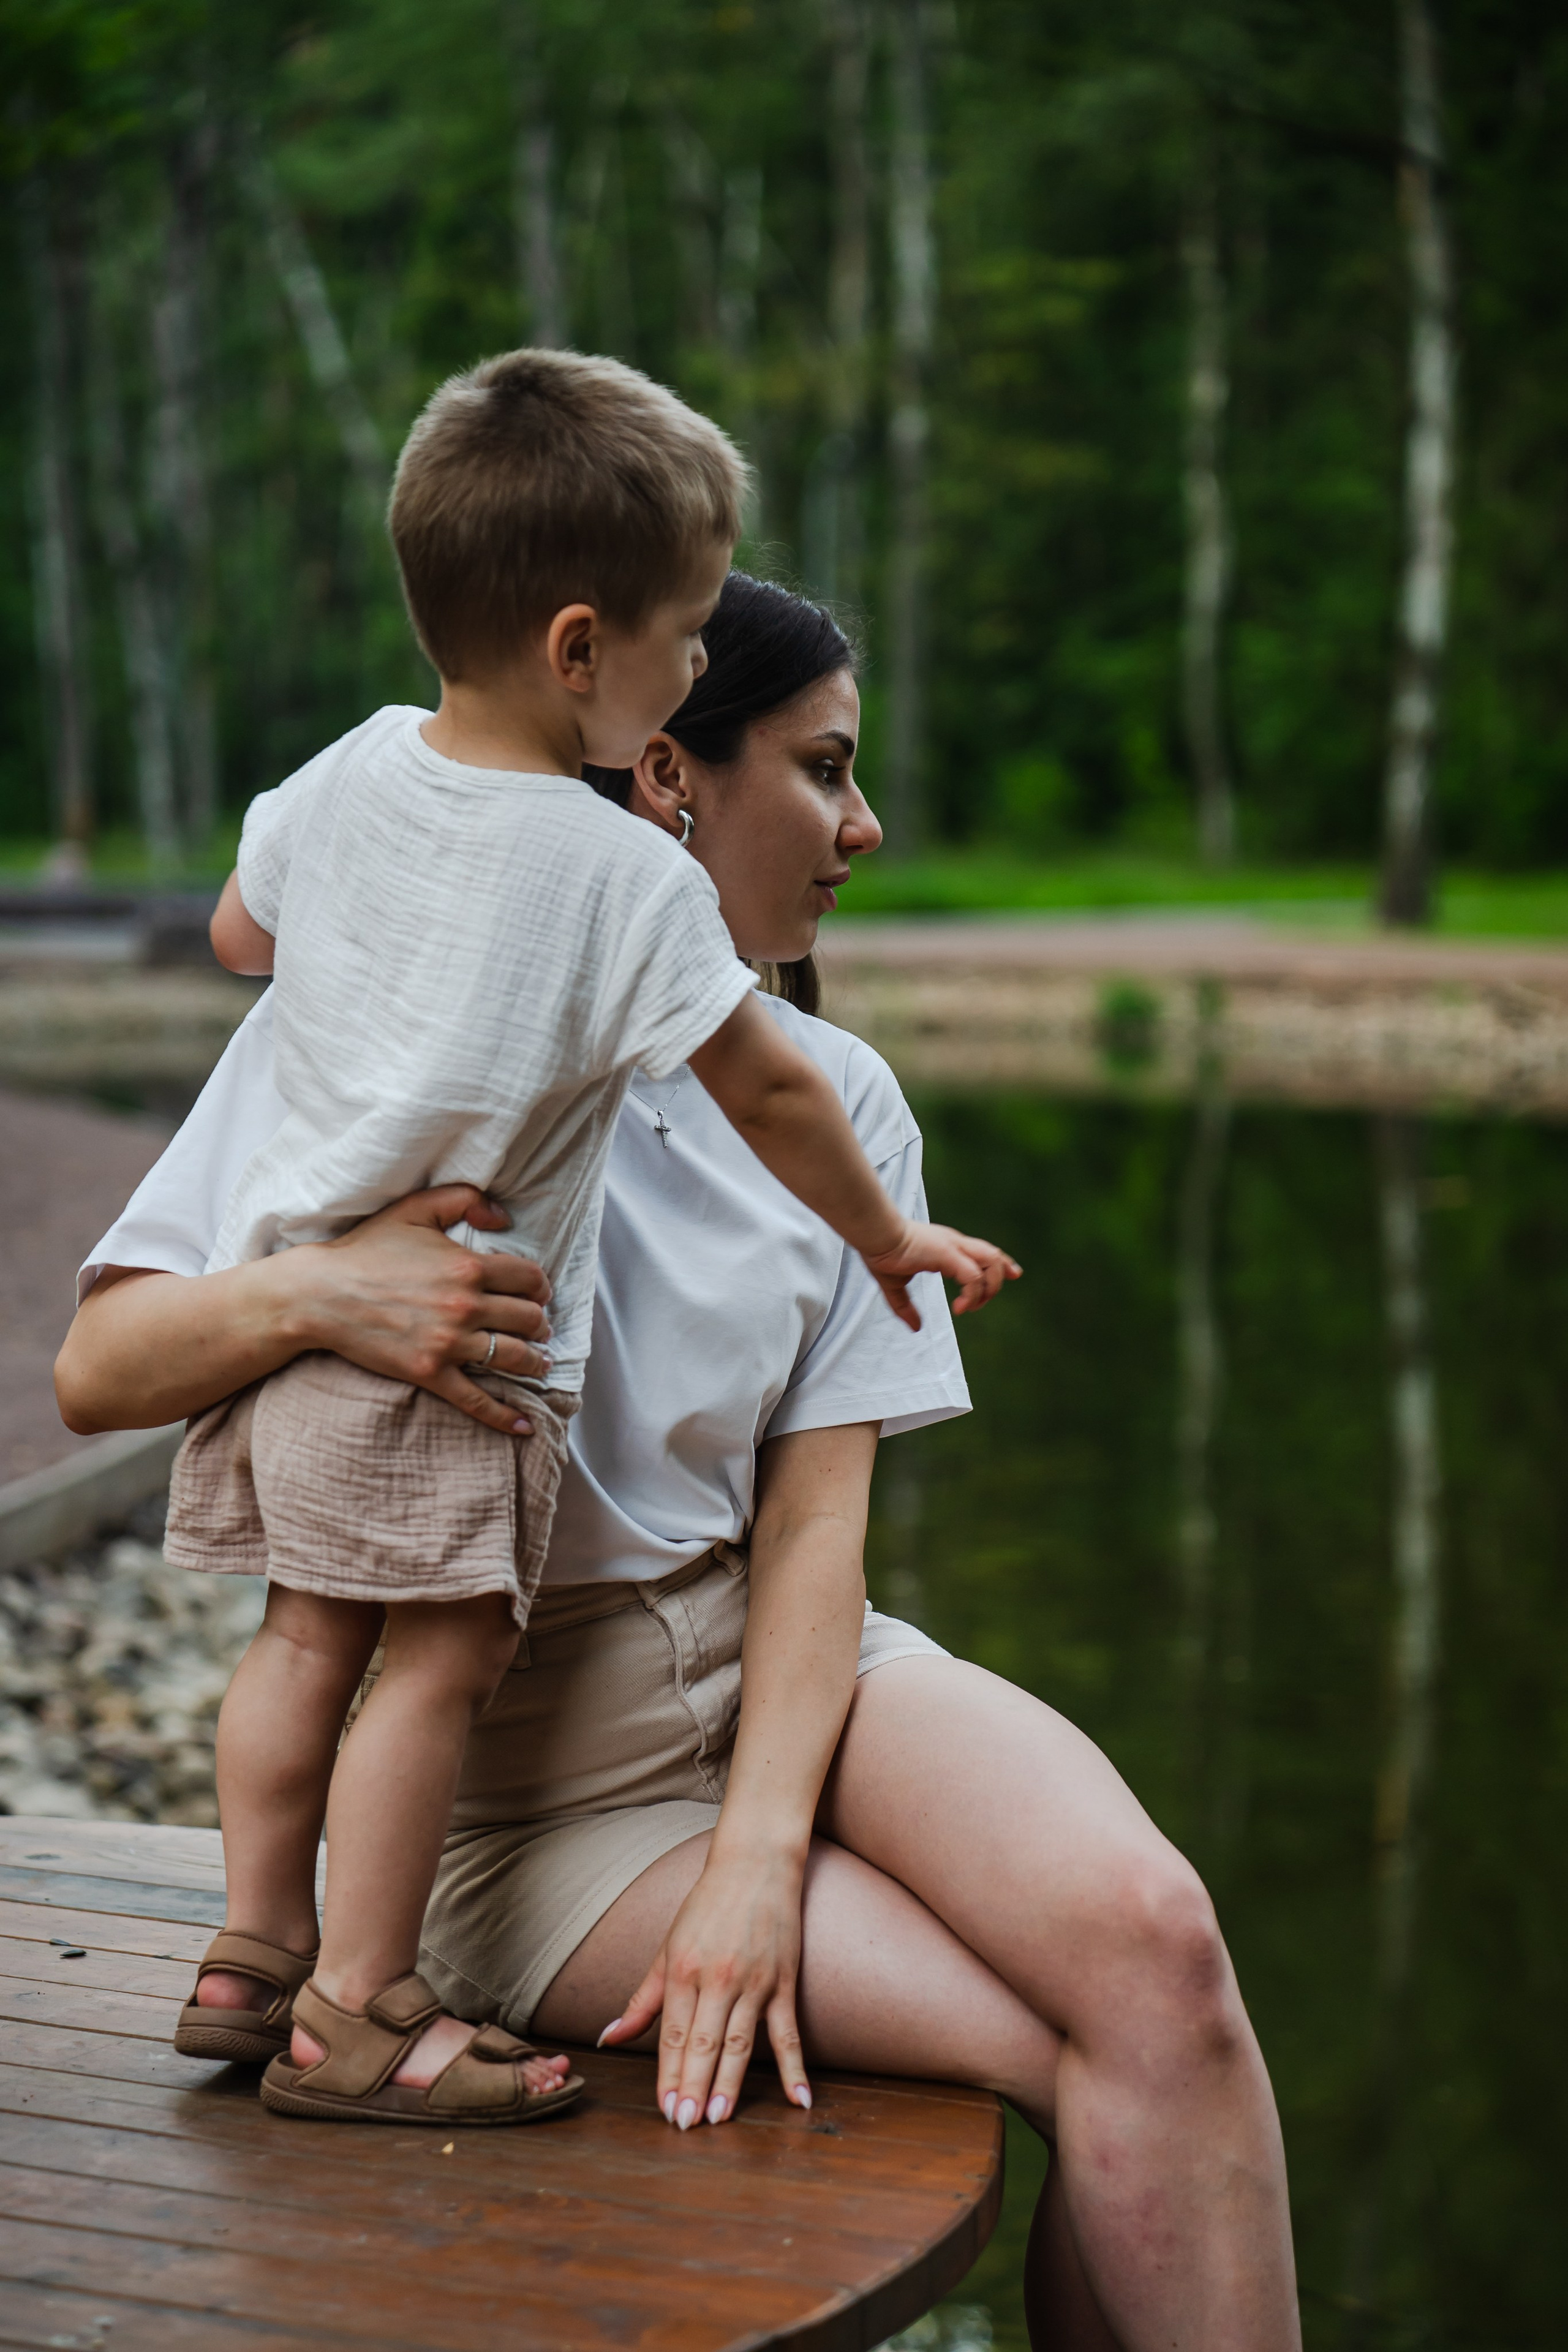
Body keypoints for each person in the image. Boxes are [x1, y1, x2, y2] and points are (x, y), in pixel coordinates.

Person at [58, 575, 1302, 2349]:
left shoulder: (842, 1099)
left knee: (1163, 1967)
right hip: (526, 1792)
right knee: (1052, 2046)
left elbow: (814, 1537)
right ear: (664, 780)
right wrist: (325, 1292)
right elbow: (97, 1369)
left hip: (785, 1663)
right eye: (825, 770)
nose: (864, 827)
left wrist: (757, 1861)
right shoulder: (380, 1051)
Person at [174, 354, 1014, 2128]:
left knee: (304, 1648)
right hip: (461, 1358)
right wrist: (889, 1241)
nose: (695, 664)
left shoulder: (339, 779)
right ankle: (361, 2009)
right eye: (689, 636)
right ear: (585, 657)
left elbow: (245, 940)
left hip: (325, 1340)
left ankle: (253, 1950)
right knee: (438, 1666)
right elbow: (773, 1094)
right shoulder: (618, 880)